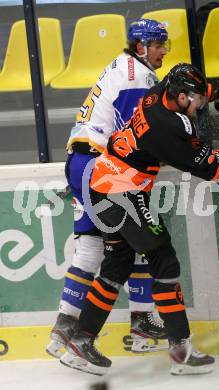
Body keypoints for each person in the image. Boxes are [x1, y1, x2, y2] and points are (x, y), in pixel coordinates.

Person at [59, 63, 219, 376]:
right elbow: (211, 168)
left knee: (118, 263)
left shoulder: (158, 94)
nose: (200, 104)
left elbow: (189, 88)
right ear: (181, 97)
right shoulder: (166, 128)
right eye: (196, 99)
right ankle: (181, 351)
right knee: (164, 262)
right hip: (121, 193)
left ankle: (81, 338)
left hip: (105, 186)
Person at [46, 18, 171, 359]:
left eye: (165, 44)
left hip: (79, 162)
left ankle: (64, 327)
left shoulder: (121, 65)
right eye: (158, 44)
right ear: (141, 45)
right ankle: (142, 321)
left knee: (89, 250)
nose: (163, 51)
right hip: (102, 167)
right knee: (142, 241)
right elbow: (136, 135)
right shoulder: (139, 75)